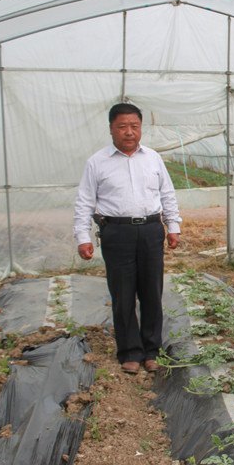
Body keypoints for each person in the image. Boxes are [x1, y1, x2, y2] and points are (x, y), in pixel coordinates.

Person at [73, 103, 182, 375]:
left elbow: (167, 194)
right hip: (116, 232)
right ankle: (130, 351)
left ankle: (152, 350)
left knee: (152, 292)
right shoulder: (97, 162)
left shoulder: (153, 158)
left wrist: (173, 226)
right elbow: (84, 202)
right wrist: (82, 236)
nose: (129, 132)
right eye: (122, 127)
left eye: (134, 126)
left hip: (150, 230)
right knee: (122, 295)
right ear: (111, 129)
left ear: (141, 128)